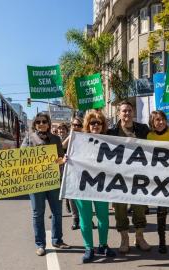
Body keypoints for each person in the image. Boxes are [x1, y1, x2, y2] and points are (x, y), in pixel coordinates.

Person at [22, 113, 70, 256]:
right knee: (38, 213)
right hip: (35, 183)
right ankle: (40, 244)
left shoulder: (55, 139)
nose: (41, 124)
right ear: (35, 124)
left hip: (53, 181)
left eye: (44, 121)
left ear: (48, 124)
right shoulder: (29, 138)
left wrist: (62, 160)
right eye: (38, 122)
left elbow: (60, 159)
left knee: (57, 212)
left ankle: (57, 240)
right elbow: (20, 159)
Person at [107, 100, 151, 253]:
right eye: (124, 111)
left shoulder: (143, 129)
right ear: (119, 113)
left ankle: (139, 237)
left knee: (140, 208)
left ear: (133, 113)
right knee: (120, 210)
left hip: (138, 177)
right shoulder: (111, 131)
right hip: (118, 178)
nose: (127, 113)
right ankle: (124, 239)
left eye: (129, 110)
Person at [73, 111, 116, 263]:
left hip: (101, 186)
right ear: (87, 125)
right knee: (85, 218)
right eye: (92, 123)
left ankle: (103, 245)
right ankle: (88, 248)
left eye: (99, 123)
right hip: (82, 186)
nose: (96, 125)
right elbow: (67, 154)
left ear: (103, 125)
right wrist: (66, 157)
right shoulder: (78, 140)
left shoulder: (110, 141)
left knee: (103, 218)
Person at [146, 110, 169, 254]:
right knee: (161, 211)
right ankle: (162, 241)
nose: (160, 122)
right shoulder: (149, 136)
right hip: (159, 179)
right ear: (152, 123)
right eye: (157, 120)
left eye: (162, 119)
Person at [62, 117, 83, 230]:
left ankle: (86, 219)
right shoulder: (69, 137)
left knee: (85, 198)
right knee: (72, 198)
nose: (76, 127)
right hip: (71, 172)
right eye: (74, 125)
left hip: (84, 173)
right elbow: (61, 147)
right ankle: (75, 219)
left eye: (79, 125)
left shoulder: (86, 137)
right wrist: (71, 136)